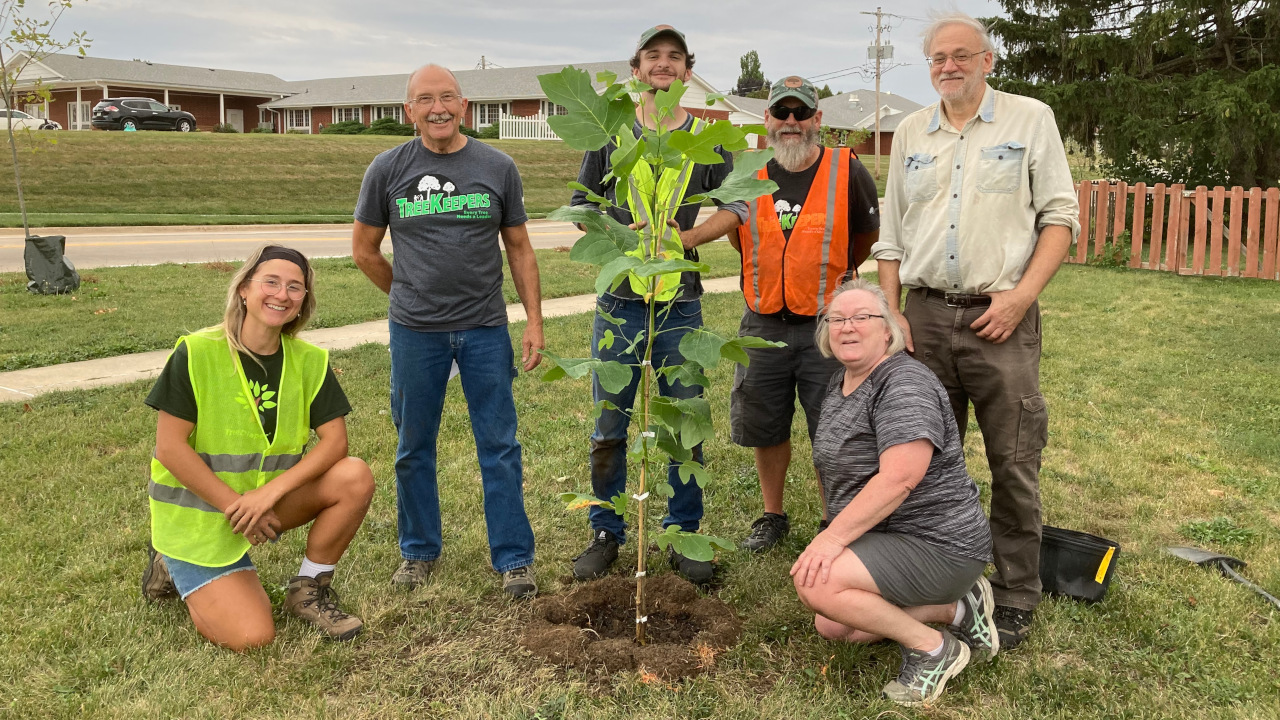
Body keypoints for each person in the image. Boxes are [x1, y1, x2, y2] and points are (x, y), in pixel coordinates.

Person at [871, 12, 1080, 649]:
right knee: (923, 460)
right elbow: (891, 236)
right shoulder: (911, 130)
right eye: (938, 58)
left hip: (1001, 318)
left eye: (962, 55)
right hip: (925, 317)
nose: (949, 67)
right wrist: (892, 311)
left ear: (988, 61)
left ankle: (1017, 593)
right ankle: (936, 584)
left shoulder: (1029, 118)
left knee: (1014, 458)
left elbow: (1060, 218)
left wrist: (1021, 297)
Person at [352, 64, 544, 598]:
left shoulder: (497, 166)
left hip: (484, 328)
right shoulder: (387, 169)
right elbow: (364, 251)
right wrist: (406, 295)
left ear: (464, 106)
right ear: (408, 111)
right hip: (417, 333)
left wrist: (532, 319)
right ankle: (417, 552)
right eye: (424, 99)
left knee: (500, 445)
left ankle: (513, 558)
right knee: (414, 446)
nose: (437, 108)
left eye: (447, 98)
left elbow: (520, 248)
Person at [568, 25, 747, 584]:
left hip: (680, 307)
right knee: (609, 426)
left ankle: (684, 530)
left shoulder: (706, 138)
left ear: (687, 72)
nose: (664, 65)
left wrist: (687, 238)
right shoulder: (611, 134)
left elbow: (737, 205)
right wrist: (623, 230)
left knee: (683, 423)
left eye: (674, 57)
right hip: (618, 304)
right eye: (654, 57)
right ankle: (606, 530)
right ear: (637, 70)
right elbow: (581, 207)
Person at [141, 245, 375, 650]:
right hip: (199, 518)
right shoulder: (196, 352)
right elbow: (170, 449)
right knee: (253, 638)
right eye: (271, 281)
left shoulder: (309, 360)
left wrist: (267, 496)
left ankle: (307, 590)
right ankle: (171, 563)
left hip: (263, 505)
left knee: (354, 475)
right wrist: (239, 505)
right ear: (245, 289)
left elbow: (335, 442)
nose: (282, 294)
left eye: (295, 287)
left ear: (303, 301)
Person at [791, 278, 997, 707]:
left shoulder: (903, 383)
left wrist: (830, 541)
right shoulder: (842, 382)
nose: (848, 326)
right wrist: (834, 528)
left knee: (820, 584)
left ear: (888, 330)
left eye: (862, 317)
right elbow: (829, 469)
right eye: (837, 319)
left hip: (940, 543)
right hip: (889, 537)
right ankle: (958, 609)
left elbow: (900, 478)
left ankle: (934, 650)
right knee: (834, 626)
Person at [731, 75, 881, 552]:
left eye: (801, 113)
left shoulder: (846, 169)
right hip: (762, 325)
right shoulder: (748, 173)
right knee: (765, 424)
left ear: (818, 119)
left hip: (828, 328)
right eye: (782, 113)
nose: (791, 122)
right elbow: (738, 237)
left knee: (834, 429)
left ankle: (831, 519)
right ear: (767, 120)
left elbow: (864, 240)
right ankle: (771, 516)